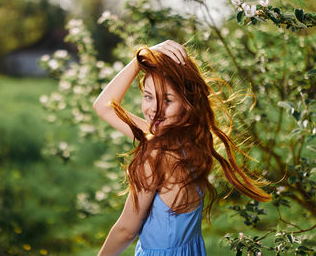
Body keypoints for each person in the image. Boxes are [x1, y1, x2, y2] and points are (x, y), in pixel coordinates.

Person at [93, 40, 271, 256]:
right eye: (148, 96)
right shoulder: (194, 139)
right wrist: (142, 57)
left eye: (167, 100)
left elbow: (125, 231)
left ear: (187, 103)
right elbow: (104, 107)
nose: (154, 110)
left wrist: (138, 61)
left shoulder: (156, 154)